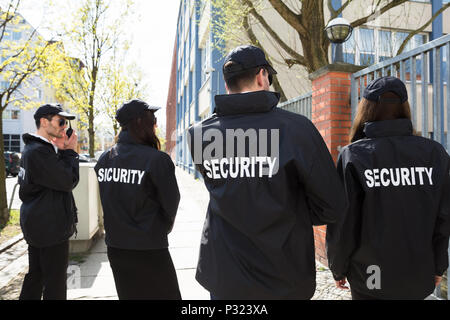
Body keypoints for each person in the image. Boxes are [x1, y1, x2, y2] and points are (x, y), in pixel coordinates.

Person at [187, 45, 347, 299]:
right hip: (284, 274)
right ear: (262, 76)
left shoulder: (199, 133)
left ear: (227, 85)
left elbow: (228, 188)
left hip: (225, 273)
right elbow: (333, 205)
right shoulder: (296, 129)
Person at [326, 76, 450, 300]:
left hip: (370, 275)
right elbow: (444, 217)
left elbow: (344, 221)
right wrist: (438, 266)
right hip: (416, 272)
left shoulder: (354, 155)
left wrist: (338, 266)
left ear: (366, 108)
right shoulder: (434, 153)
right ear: (405, 107)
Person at [94, 99, 181, 300]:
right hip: (150, 249)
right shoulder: (156, 160)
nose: (156, 125)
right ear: (140, 122)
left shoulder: (105, 159)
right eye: (153, 120)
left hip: (117, 248)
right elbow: (171, 204)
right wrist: (159, 228)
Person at [18, 103, 79, 300]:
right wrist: (70, 151)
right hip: (48, 227)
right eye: (61, 121)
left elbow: (54, 180)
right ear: (44, 122)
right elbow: (68, 180)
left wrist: (61, 151)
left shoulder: (37, 149)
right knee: (55, 282)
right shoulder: (39, 152)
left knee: (37, 276)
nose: (64, 127)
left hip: (41, 224)